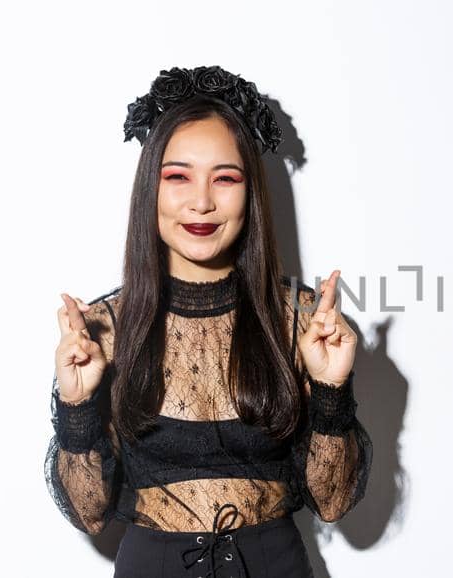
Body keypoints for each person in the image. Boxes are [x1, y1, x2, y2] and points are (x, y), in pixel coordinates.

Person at [44, 66, 370, 578]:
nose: (201, 201)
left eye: (225, 178)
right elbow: (88, 513)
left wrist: (331, 389)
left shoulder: (302, 321)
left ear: (250, 194)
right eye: (178, 177)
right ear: (150, 188)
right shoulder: (103, 328)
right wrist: (78, 403)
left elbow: (333, 504)